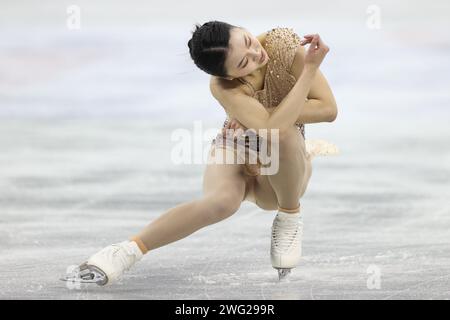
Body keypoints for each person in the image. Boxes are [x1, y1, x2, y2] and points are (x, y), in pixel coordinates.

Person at [62, 20, 338, 286]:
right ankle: (125, 252)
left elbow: (327, 110)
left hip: (280, 164)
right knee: (221, 202)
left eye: (248, 41)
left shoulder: (283, 45)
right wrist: (305, 78)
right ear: (228, 76)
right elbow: (270, 126)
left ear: (241, 28)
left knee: (285, 135)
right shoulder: (222, 87)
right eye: (244, 63)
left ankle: (289, 215)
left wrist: (272, 110)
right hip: (236, 145)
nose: (256, 54)